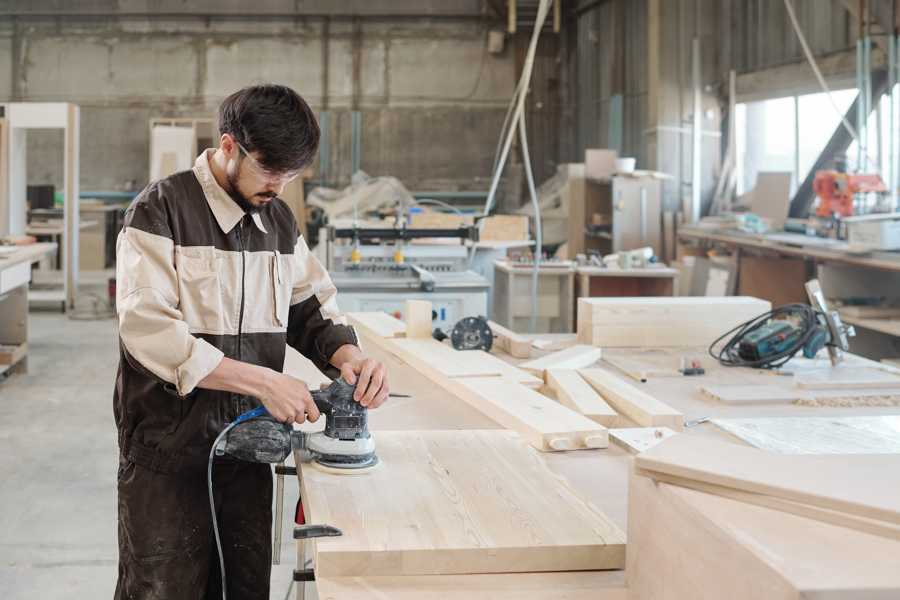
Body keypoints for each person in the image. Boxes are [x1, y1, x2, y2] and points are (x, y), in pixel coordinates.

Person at [113, 84, 389, 599]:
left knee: (245, 588)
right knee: (163, 590)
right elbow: (147, 329)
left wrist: (350, 357)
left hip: (248, 455)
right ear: (228, 147)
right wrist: (264, 381)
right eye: (268, 170)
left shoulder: (278, 222)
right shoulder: (159, 211)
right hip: (169, 458)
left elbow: (310, 307)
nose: (279, 186)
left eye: (290, 175)